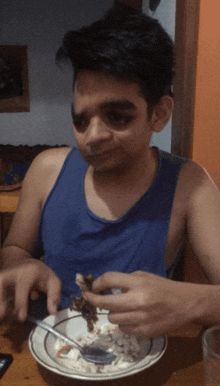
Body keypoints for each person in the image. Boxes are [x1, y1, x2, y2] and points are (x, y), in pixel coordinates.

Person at [0, 5, 220, 338]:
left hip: (138, 355)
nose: (93, 136)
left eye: (117, 117)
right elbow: (14, 248)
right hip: (49, 347)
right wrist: (18, 264)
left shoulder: (191, 184)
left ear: (159, 113)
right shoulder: (47, 169)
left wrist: (194, 301)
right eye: (80, 120)